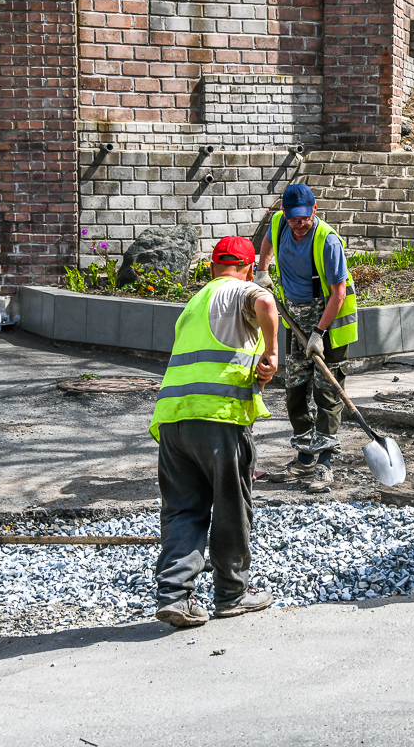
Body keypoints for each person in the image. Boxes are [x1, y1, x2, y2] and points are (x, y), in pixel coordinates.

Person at [148, 235, 280, 628]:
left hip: (172, 420)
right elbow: (267, 303)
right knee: (230, 507)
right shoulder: (239, 290)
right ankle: (232, 593)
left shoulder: (193, 303)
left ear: (211, 266)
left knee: (183, 510)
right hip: (218, 418)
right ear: (247, 267)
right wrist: (272, 353)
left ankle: (175, 596)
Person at [254, 183, 359, 491]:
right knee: (296, 390)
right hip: (296, 317)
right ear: (284, 214)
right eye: (293, 218)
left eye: (304, 218)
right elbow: (267, 243)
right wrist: (263, 270)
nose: (299, 225)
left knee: (327, 391)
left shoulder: (327, 241)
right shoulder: (278, 224)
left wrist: (318, 333)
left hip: (329, 322)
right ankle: (303, 461)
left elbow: (338, 293)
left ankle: (324, 464)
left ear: (315, 210)